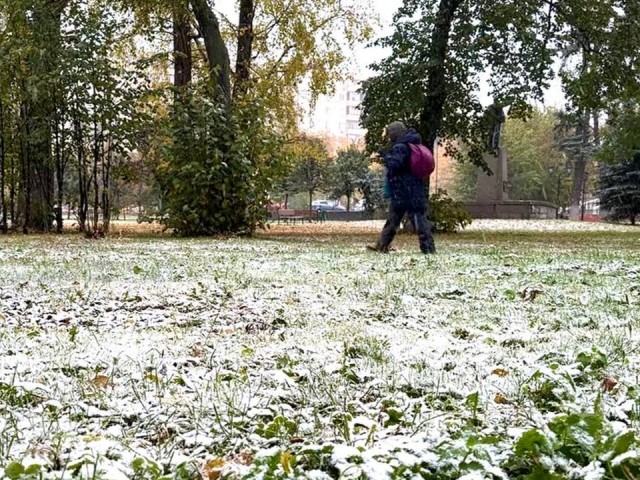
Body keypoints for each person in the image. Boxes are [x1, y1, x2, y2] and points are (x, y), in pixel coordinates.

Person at [368, 121, 436, 254]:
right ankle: (382, 246)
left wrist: (385, 155)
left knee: (416, 220)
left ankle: (428, 248)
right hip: (411, 189)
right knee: (397, 220)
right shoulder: (411, 144)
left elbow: (395, 165)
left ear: (395, 133)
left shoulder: (401, 147)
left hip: (405, 190)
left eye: (390, 134)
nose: (389, 137)